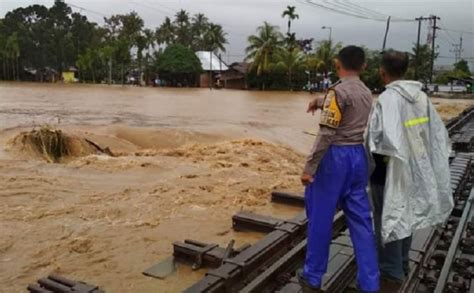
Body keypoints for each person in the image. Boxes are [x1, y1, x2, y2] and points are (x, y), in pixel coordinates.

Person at [366, 51, 453, 291]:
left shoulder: (387, 99)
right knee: (407, 214)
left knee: (388, 219)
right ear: (406, 70)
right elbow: (436, 136)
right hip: (415, 168)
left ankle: (390, 273)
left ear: (382, 72)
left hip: (387, 171)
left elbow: (376, 138)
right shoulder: (422, 98)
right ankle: (401, 263)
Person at [298, 46, 379, 293]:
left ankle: (312, 276)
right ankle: (370, 281)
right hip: (358, 157)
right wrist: (321, 101)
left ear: (337, 63)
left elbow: (326, 133)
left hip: (335, 159)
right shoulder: (366, 92)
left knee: (321, 217)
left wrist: (309, 167)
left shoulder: (338, 91)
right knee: (361, 221)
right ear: (363, 66)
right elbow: (346, 106)